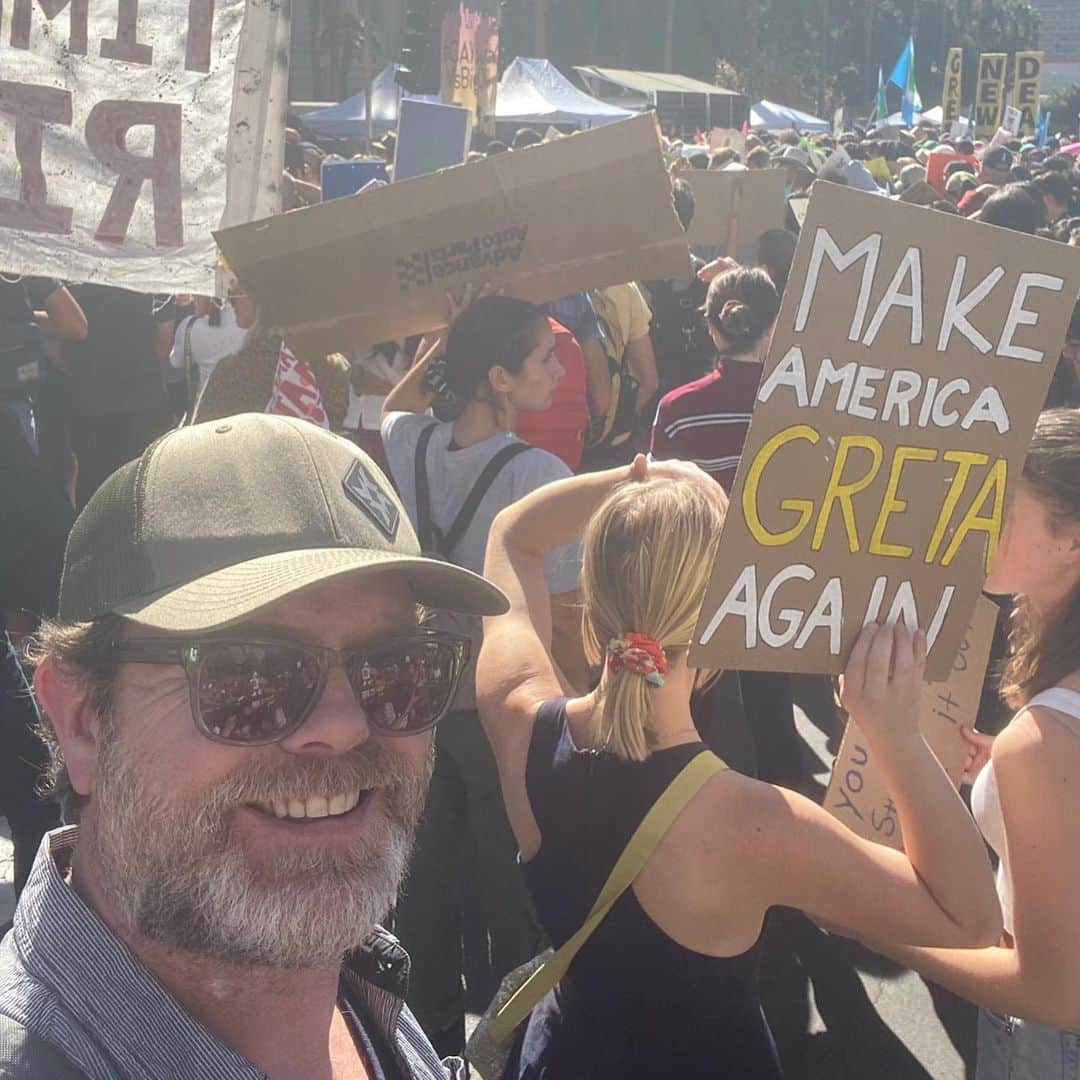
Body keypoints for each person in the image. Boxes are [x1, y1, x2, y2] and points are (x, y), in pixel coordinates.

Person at [2, 412, 508, 1077]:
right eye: (248, 673)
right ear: (82, 721)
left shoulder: (356, 987)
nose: (344, 725)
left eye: (397, 669)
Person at [476, 456, 1000, 1078]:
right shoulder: (755, 822)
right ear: (723, 623)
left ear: (592, 601)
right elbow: (972, 921)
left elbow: (512, 532)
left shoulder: (520, 721)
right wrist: (896, 735)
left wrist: (636, 479)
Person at [380, 295, 585, 1056]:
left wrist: (449, 337)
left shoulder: (409, 446)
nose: (561, 370)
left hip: (417, 706)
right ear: (499, 377)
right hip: (504, 719)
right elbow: (565, 619)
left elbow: (394, 405)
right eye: (543, 359)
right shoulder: (540, 473)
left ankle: (420, 1051)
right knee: (517, 904)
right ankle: (515, 1055)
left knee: (420, 898)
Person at [870, 408, 1080, 1078]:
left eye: (1002, 512)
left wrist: (886, 928)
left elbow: (1052, 993)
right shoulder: (1048, 740)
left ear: (1072, 540)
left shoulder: (1046, 741)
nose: (971, 524)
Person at [63, 284, 175, 509]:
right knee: (145, 501)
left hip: (91, 406)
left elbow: (60, 346)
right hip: (144, 404)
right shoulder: (155, 271)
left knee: (96, 504)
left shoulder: (75, 272)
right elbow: (163, 347)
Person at [168, 293, 254, 407]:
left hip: (205, 413)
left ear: (208, 293)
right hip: (248, 412)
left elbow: (176, 362)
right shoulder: (252, 322)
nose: (192, 296)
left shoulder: (190, 328)